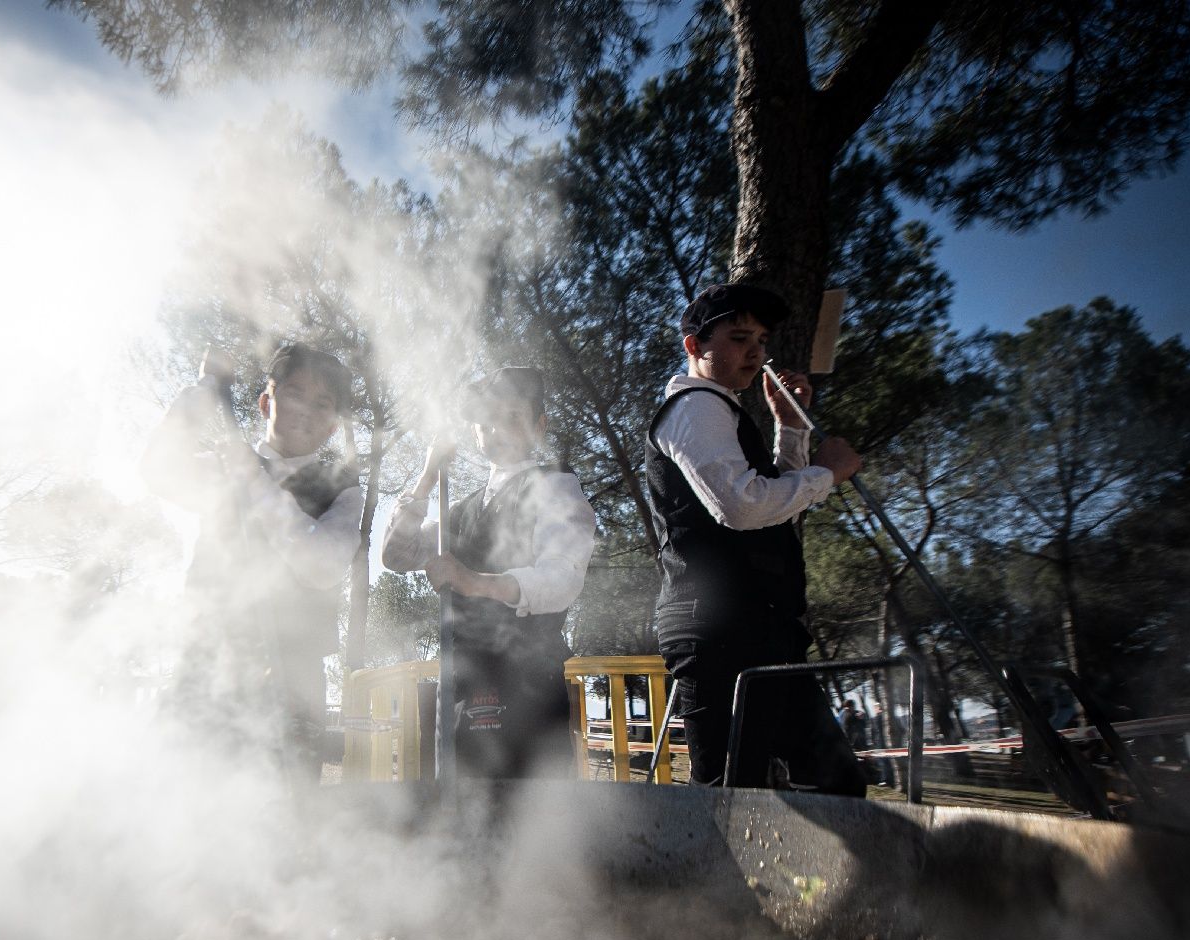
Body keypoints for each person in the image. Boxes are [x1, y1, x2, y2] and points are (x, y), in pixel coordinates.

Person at [642, 284, 869, 794]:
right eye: (740, 337)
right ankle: (716, 876)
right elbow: (741, 507)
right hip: (719, 630)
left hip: (759, 627)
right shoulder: (695, 408)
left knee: (833, 782)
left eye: (762, 341)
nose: (756, 353)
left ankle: (801, 875)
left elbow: (772, 510)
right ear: (695, 347)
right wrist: (827, 475)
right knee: (730, 795)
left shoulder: (722, 412)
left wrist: (790, 431)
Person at [142, 342, 363, 787]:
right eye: (296, 393)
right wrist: (207, 387)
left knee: (288, 818)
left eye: (324, 404)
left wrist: (255, 483)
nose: (308, 410)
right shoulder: (225, 467)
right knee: (191, 802)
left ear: (334, 425)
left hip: (295, 684)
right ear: (267, 401)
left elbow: (321, 565)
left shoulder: (344, 490)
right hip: (209, 665)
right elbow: (158, 470)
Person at [382, 367, 596, 805]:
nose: (498, 429)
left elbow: (562, 579)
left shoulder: (555, 484)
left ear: (540, 425)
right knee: (465, 816)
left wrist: (473, 581)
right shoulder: (459, 511)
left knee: (535, 822)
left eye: (513, 416)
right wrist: (426, 475)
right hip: (465, 684)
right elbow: (396, 554)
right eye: (487, 420)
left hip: (528, 684)